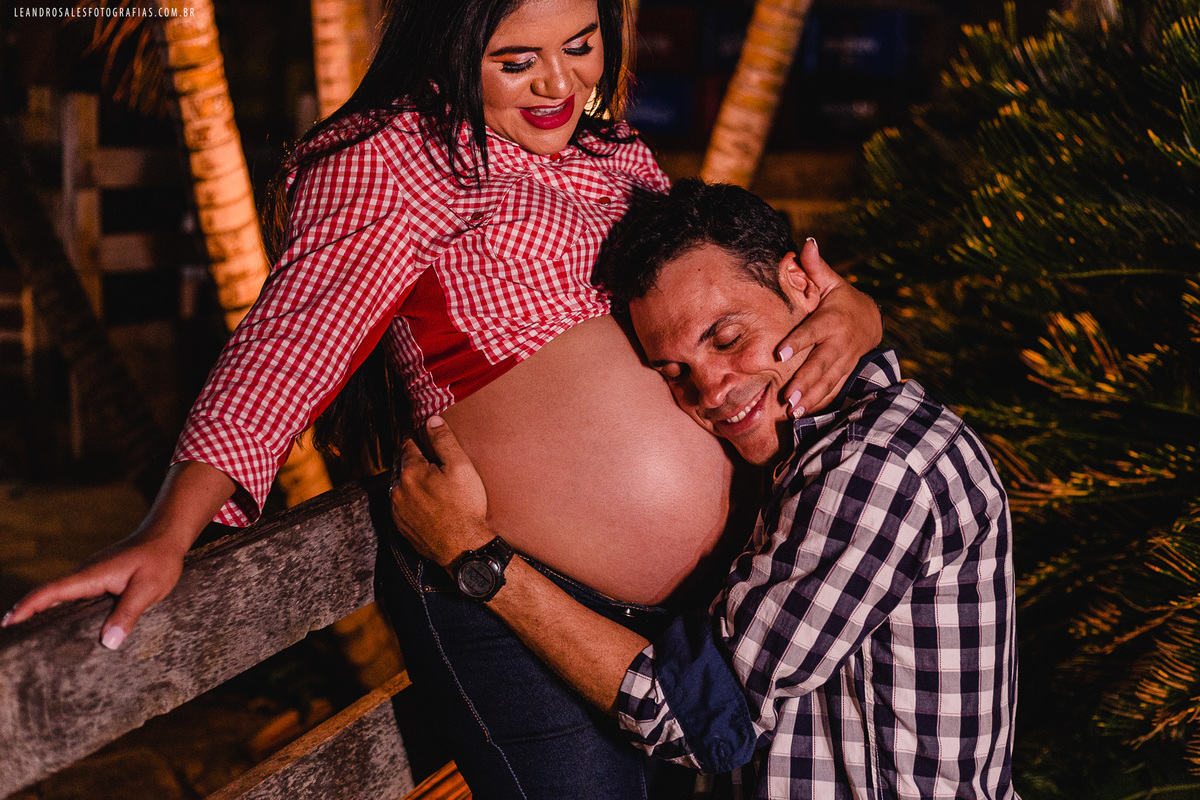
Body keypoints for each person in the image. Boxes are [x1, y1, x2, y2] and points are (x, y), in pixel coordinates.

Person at [2, 1, 881, 796]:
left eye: (580, 45)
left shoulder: (613, 154)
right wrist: (169, 528)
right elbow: (290, 344)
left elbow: (719, 284)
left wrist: (855, 312)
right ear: (451, 44)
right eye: (516, 60)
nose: (559, 82)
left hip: (694, 617)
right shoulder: (398, 156)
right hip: (511, 592)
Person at [390, 180, 1019, 799]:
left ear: (802, 284)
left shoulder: (875, 466)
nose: (711, 390)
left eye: (727, 338)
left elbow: (704, 720)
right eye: (675, 372)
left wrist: (475, 558)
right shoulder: (820, 449)